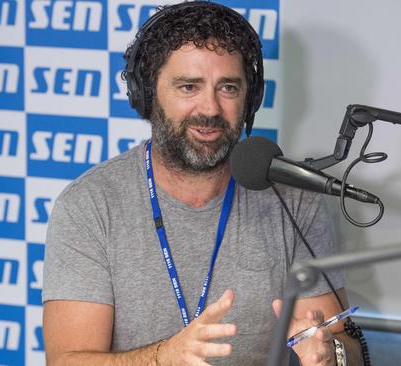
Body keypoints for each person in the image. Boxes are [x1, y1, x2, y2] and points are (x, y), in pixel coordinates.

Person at [42, 1, 363, 365]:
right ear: (146, 95)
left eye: (228, 87)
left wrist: (329, 354)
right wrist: (164, 357)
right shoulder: (91, 205)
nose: (209, 108)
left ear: (251, 98)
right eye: (188, 87)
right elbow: (66, 360)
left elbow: (344, 345)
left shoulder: (293, 201)